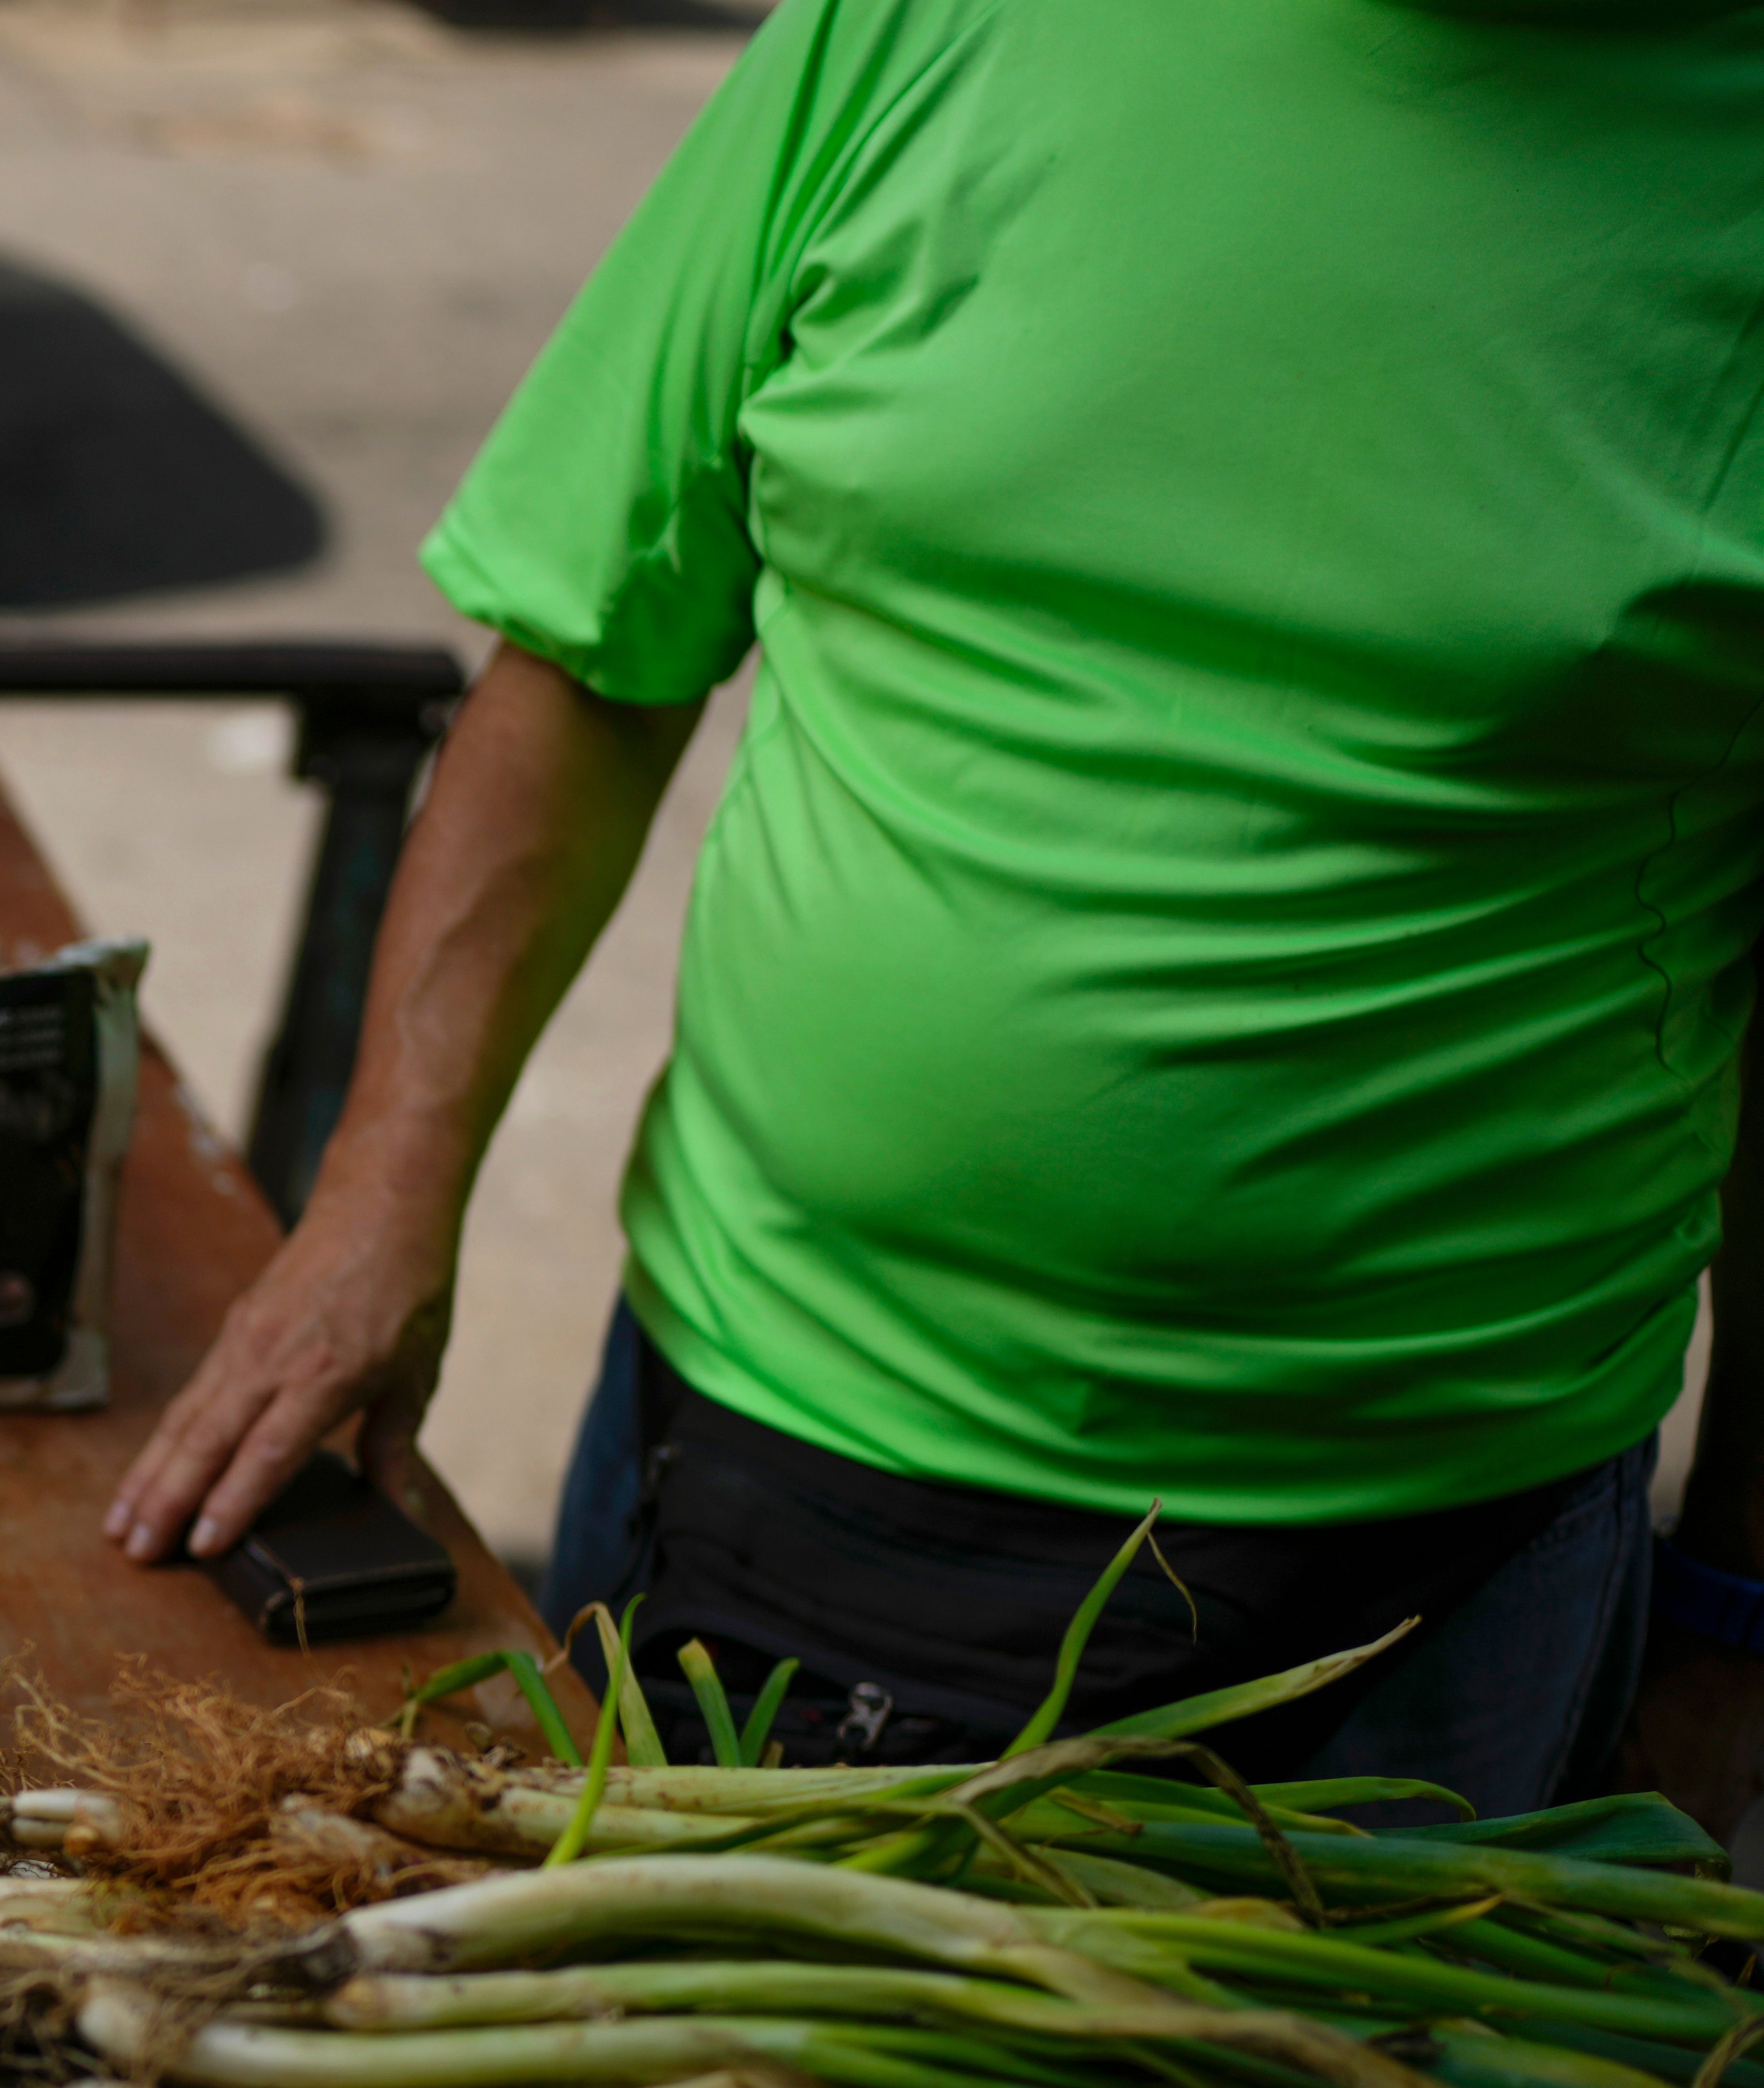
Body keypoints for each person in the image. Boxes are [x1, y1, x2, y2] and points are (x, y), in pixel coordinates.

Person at [106, 0, 1764, 1823]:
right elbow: (593, 647)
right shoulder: (935, 24)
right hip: (766, 1448)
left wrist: (1740, 1607)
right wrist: (377, 1201)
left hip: (1428, 1588)